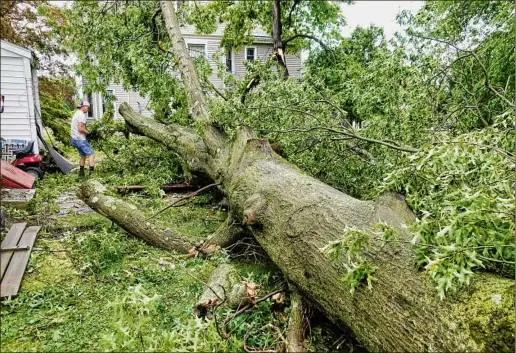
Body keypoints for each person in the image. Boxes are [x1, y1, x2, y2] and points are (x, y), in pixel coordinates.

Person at [71, 101, 95, 177]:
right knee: (91, 154)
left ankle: (81, 173)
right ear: (84, 106)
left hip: (74, 138)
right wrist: (88, 133)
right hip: (80, 139)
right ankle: (92, 174)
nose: (88, 109)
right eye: (87, 107)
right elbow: (80, 129)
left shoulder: (76, 113)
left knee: (83, 155)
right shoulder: (82, 115)